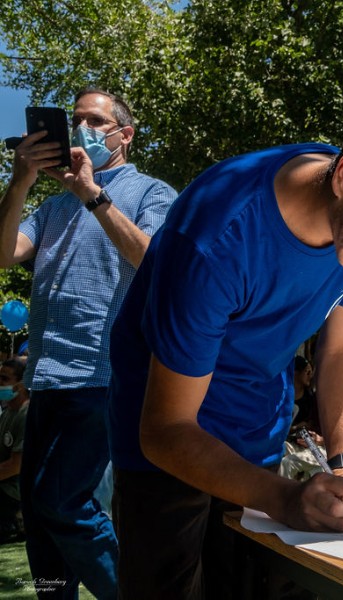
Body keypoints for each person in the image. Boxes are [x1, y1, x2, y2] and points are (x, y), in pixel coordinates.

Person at [106, 96, 343, 598]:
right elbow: (165, 430)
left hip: (256, 441)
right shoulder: (217, 237)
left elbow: (338, 353)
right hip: (166, 453)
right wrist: (286, 500)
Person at [0, 88, 177, 598]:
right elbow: (5, 251)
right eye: (74, 120)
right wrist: (21, 179)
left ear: (125, 134)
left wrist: (92, 194)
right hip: (47, 377)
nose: (81, 129)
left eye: (94, 121)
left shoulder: (151, 193)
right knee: (39, 514)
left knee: (64, 501)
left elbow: (155, 262)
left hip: (102, 376)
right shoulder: (52, 206)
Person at [0, 357, 28, 543]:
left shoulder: (26, 414)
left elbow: (16, 466)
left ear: (21, 384)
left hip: (12, 494)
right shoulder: (8, 412)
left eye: (4, 379)